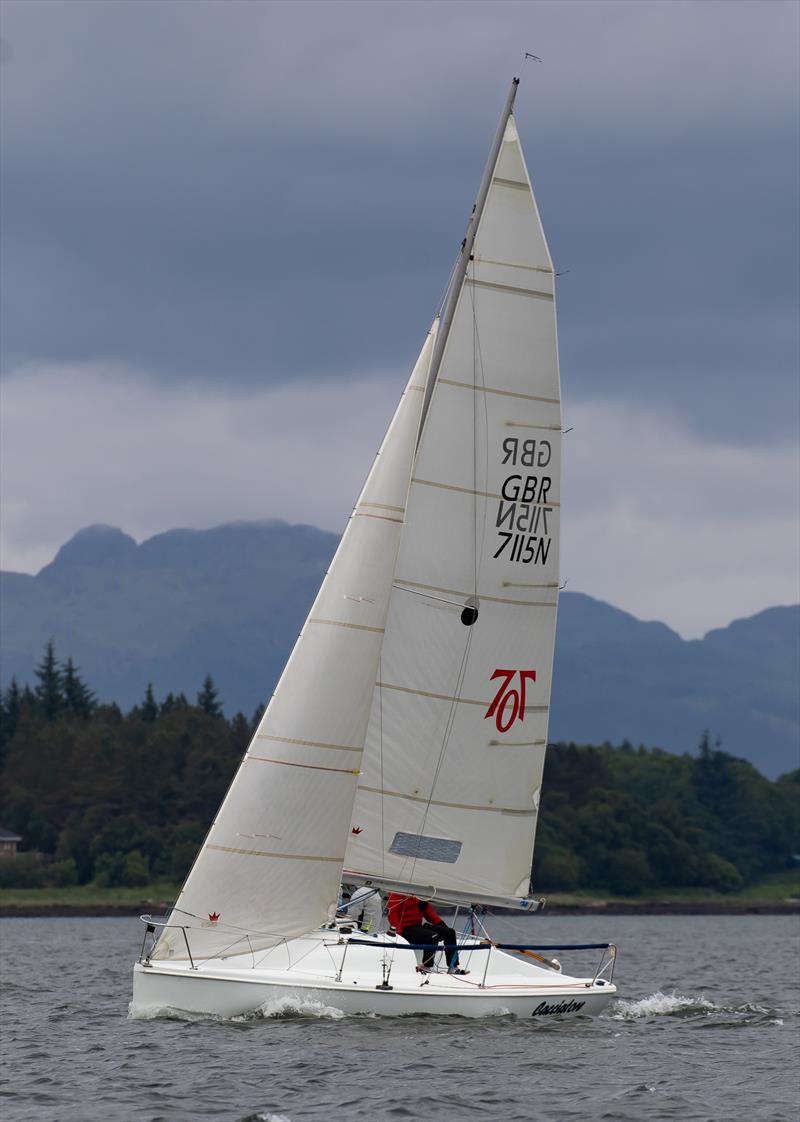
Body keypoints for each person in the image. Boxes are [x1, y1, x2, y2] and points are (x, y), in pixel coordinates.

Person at [387, 893, 468, 974]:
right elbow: (392, 914)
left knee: (450, 932)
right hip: (405, 929)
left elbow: (430, 914)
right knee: (433, 936)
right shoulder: (398, 892)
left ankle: (452, 967)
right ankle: (426, 967)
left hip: (418, 926)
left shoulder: (421, 894)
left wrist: (444, 927)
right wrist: (399, 934)